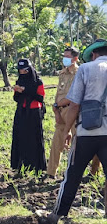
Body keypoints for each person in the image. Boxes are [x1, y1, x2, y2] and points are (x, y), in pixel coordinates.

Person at [48, 39, 107, 223]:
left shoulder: (86, 69)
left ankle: (57, 214)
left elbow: (74, 105)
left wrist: (67, 130)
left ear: (93, 54)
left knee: (72, 175)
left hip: (86, 132)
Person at [46, 48, 101, 179]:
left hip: (75, 111)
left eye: (67, 56)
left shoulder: (81, 72)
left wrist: (59, 105)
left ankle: (92, 172)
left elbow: (75, 97)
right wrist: (56, 109)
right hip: (61, 110)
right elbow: (59, 93)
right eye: (63, 56)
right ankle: (51, 173)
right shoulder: (62, 73)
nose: (64, 59)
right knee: (56, 142)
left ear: (75, 59)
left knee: (81, 145)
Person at [11, 59, 46, 172]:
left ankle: (37, 166)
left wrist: (25, 90)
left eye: (25, 71)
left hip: (34, 112)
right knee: (20, 137)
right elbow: (16, 98)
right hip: (21, 111)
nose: (22, 73)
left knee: (34, 139)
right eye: (20, 71)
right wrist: (18, 91)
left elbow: (40, 97)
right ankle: (20, 164)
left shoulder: (38, 82)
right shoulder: (19, 80)